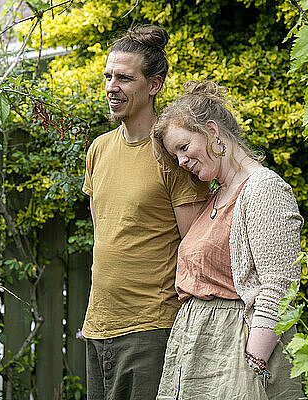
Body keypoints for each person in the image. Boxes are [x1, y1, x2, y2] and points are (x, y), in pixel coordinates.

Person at [151, 80, 304, 399]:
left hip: (235, 352)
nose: (181, 161)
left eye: (183, 147)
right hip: (199, 351)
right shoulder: (218, 196)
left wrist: (253, 363)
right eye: (175, 154)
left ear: (211, 130)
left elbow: (279, 286)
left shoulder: (264, 189)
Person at [81, 26, 209, 399]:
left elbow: (196, 250)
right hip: (98, 325)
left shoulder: (173, 155)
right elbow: (104, 236)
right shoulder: (99, 149)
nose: (111, 86)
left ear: (154, 85)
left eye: (124, 77)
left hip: (151, 329)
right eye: (108, 76)